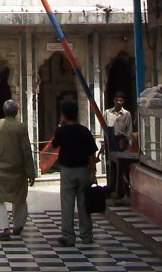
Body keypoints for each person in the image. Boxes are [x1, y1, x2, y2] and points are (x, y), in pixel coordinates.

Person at [0, 98, 36, 240]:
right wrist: (31, 172)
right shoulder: (21, 127)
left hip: (0, 169)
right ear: (17, 111)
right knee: (20, 198)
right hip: (19, 170)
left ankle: (4, 228)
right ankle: (18, 225)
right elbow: (26, 151)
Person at [51, 99, 98, 247]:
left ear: (64, 115)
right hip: (83, 170)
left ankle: (68, 236)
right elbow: (91, 153)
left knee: (67, 204)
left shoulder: (62, 131)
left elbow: (54, 144)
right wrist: (93, 172)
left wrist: (60, 124)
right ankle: (86, 236)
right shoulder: (84, 131)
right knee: (83, 204)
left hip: (67, 172)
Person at [102, 91, 134, 198]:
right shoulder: (107, 113)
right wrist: (104, 144)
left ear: (123, 101)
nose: (118, 102)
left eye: (120, 100)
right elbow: (104, 128)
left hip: (122, 142)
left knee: (123, 167)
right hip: (111, 142)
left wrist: (128, 144)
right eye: (117, 100)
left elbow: (129, 131)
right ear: (113, 100)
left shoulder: (127, 114)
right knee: (111, 166)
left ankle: (123, 189)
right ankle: (111, 188)